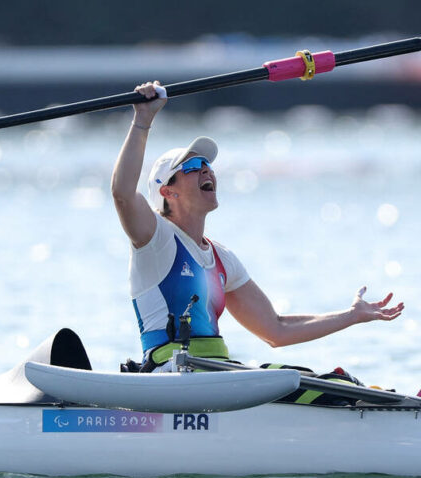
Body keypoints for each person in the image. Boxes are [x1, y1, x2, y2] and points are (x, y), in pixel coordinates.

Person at [111, 81, 404, 371]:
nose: (205, 169)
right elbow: (122, 194)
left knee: (317, 381)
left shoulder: (222, 258)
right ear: (167, 192)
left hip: (216, 372)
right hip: (170, 375)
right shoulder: (155, 239)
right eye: (190, 166)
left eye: (206, 163)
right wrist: (142, 120)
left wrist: (351, 315)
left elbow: (275, 330)